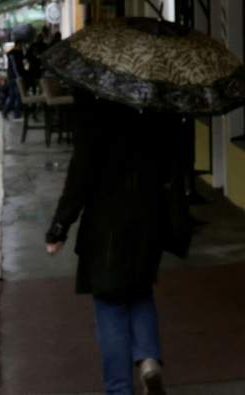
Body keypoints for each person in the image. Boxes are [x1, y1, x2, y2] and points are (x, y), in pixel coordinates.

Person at [46, 95, 180, 395]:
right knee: (140, 291)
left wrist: (58, 228)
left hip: (107, 226)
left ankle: (119, 389)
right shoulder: (155, 112)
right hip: (147, 219)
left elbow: (78, 179)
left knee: (110, 305)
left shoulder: (95, 115)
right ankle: (147, 360)